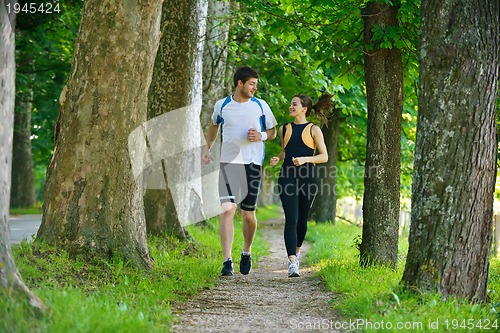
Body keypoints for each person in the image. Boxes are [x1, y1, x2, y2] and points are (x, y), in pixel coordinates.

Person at [202, 67, 277, 276]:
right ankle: (227, 261)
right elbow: (214, 125)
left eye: (256, 84)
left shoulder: (260, 106)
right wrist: (207, 148)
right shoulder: (222, 105)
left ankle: (246, 251)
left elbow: (272, 132)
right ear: (240, 83)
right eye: (252, 83)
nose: (255, 88)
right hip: (228, 163)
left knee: (248, 215)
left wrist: (260, 136)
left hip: (252, 164)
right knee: (227, 209)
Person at [270, 93, 330, 277]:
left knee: (302, 220)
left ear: (304, 109)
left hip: (308, 179)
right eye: (290, 103)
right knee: (292, 218)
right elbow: (285, 150)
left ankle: (297, 252)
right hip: (287, 177)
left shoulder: (314, 129)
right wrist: (278, 158)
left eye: (294, 104)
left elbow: (324, 156)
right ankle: (292, 262)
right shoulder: (284, 129)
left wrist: (305, 159)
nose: (291, 106)